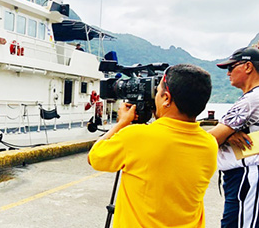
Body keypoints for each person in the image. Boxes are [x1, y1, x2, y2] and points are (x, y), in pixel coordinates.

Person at [88, 64, 217, 227]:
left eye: (157, 92)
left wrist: (121, 123)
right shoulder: (209, 144)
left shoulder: (136, 136)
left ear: (167, 98)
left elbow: (94, 158)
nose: (154, 96)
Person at [208, 46, 259, 228]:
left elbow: (211, 139)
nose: (228, 73)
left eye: (231, 67)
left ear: (247, 67)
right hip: (240, 176)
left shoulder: (251, 100)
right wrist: (228, 135)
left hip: (245, 175)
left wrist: (224, 135)